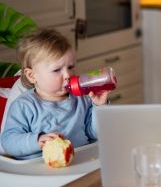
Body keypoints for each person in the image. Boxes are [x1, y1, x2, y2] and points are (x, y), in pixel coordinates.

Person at [1, 29, 110, 159]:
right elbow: (8, 141)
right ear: (32, 76)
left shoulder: (82, 99)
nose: (67, 75)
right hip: (40, 171)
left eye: (70, 67)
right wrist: (37, 140)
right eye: (57, 70)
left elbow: (94, 134)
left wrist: (100, 107)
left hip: (80, 163)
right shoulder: (24, 105)